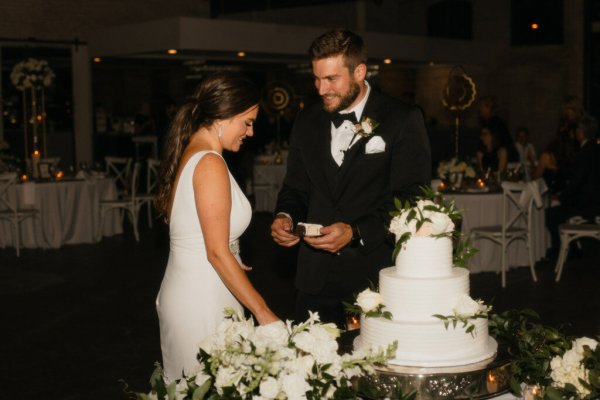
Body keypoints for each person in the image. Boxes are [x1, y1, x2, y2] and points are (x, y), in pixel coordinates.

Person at [270, 29, 431, 328]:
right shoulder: (307, 121)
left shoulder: (402, 118)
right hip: (314, 280)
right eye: (317, 79)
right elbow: (295, 187)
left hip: (374, 276)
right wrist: (285, 216)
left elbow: (413, 196)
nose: (321, 89)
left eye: (331, 79)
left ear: (359, 71)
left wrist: (356, 231)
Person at [154, 72, 279, 380]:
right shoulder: (209, 162)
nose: (249, 132)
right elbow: (214, 251)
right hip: (201, 299)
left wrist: (231, 253)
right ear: (223, 117)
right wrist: (264, 314)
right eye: (247, 122)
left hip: (194, 289)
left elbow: (195, 234)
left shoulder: (190, 153)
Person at [545, 116, 600, 257]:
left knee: (551, 215)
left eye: (576, 130)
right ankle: (572, 247)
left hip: (587, 205)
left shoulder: (585, 152)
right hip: (594, 201)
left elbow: (577, 182)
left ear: (581, 131)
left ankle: (562, 250)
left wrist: (561, 196)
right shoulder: (595, 149)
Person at [478, 96, 519, 163]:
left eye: (481, 106)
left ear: (488, 108)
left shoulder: (495, 123)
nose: (479, 109)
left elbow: (495, 145)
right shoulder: (491, 122)